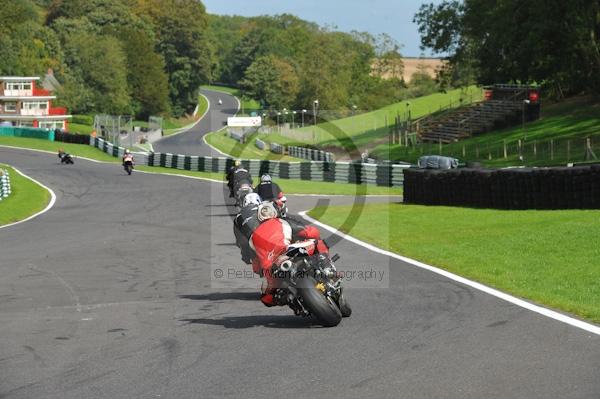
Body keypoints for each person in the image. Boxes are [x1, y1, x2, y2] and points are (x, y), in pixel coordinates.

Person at [249, 203, 328, 307]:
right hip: (289, 252)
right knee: (319, 243)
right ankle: (327, 269)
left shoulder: (252, 238)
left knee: (267, 299)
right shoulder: (282, 221)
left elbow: (256, 267)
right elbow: (311, 233)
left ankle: (293, 301)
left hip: (272, 269)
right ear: (274, 212)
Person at [233, 192, 262, 264]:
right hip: (264, 232)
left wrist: (238, 241)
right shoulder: (263, 209)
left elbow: (236, 231)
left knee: (243, 244)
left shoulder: (239, 214)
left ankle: (246, 257)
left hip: (248, 236)